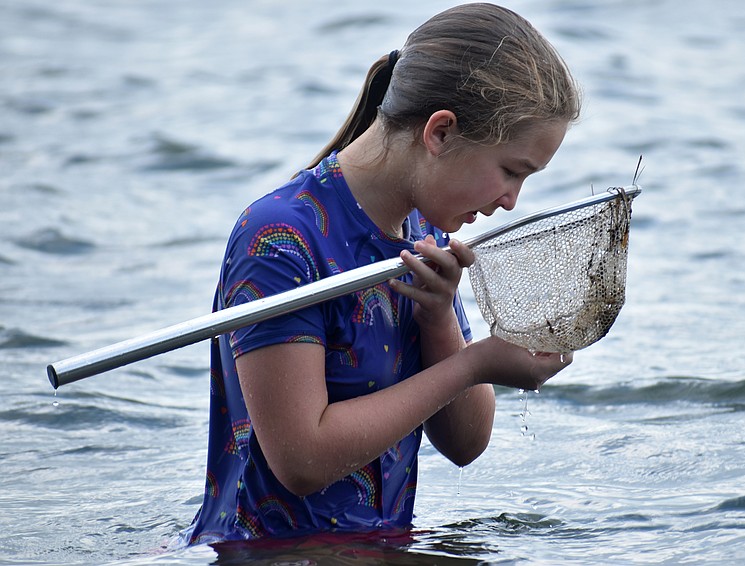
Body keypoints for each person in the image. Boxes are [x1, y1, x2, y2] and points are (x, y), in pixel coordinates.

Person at [185, 2, 581, 545]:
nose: (512, 201)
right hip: (268, 555)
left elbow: (466, 444)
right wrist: (472, 365)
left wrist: (439, 319)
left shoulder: (423, 233)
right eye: (511, 171)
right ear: (440, 133)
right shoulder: (280, 238)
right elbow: (301, 459)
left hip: (376, 550)